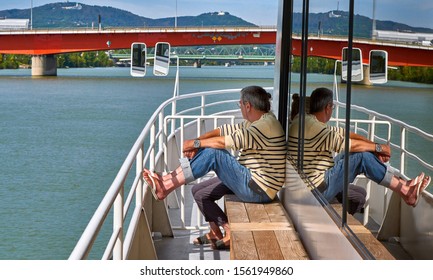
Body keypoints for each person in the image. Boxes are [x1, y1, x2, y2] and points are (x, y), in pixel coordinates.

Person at [142, 85, 287, 250]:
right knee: (199, 192)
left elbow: (224, 142)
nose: (239, 107)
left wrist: (196, 143)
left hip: (259, 189)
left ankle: (166, 185)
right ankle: (222, 230)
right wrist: (197, 141)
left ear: (248, 106)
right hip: (251, 180)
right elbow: (223, 131)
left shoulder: (265, 125)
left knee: (215, 153)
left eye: (239, 104)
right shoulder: (256, 122)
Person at [288, 87, 430, 208]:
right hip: (315, 191)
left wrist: (375, 147)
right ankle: (406, 192)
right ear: (328, 107)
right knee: (360, 156)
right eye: (333, 107)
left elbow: (344, 134)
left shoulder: (305, 121)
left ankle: (403, 183)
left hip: (305, 185)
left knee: (360, 153)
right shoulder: (315, 128)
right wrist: (378, 148)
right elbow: (349, 145)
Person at [290, 93, 366, 214]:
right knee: (360, 196)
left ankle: (338, 199)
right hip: (314, 186)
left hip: (311, 181)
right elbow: (343, 143)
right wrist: (376, 147)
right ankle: (341, 218)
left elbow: (341, 132)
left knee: (360, 192)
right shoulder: (311, 129)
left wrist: (370, 143)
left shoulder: (299, 126)